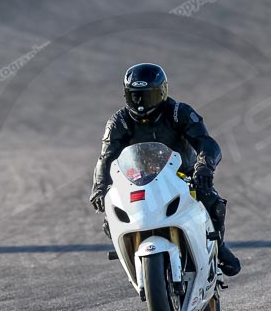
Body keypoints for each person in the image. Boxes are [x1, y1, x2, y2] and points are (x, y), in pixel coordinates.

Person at [89, 63, 241, 276]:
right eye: (135, 96)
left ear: (162, 93)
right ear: (126, 95)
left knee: (212, 202)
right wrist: (100, 186)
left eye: (147, 96)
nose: (141, 103)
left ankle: (219, 247)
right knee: (111, 220)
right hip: (138, 180)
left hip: (183, 176)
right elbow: (106, 158)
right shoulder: (119, 121)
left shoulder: (179, 113)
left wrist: (204, 166)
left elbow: (206, 142)